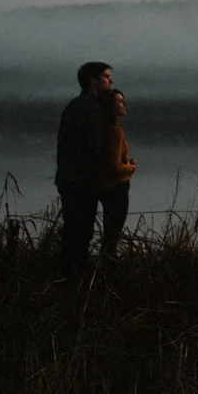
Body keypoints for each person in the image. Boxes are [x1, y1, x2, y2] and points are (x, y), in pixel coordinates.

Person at [55, 61, 113, 277]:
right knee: (80, 233)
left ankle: (69, 277)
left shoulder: (74, 106)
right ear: (93, 80)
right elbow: (96, 147)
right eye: (106, 76)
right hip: (82, 180)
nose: (110, 81)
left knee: (73, 231)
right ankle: (74, 279)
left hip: (69, 177)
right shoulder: (91, 108)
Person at [97, 87, 138, 261]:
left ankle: (105, 265)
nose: (124, 104)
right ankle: (108, 266)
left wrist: (125, 162)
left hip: (107, 189)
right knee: (113, 235)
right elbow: (114, 167)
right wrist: (131, 167)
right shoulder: (115, 132)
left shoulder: (104, 129)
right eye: (120, 101)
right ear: (110, 106)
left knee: (110, 233)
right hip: (116, 189)